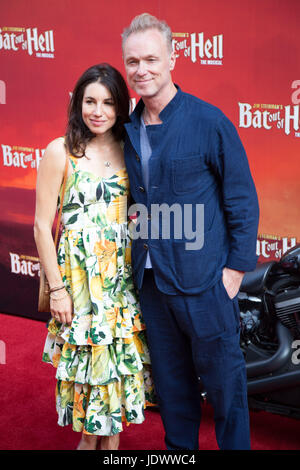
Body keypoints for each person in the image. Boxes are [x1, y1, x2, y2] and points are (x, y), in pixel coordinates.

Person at [121, 13, 260, 450]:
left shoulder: (208, 121)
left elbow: (241, 198)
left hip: (205, 283)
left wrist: (235, 271)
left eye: (150, 59)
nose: (141, 70)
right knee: (173, 390)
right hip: (151, 283)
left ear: (173, 59)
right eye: (132, 61)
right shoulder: (125, 129)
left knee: (225, 387)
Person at [34, 63, 154, 450]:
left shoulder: (132, 151)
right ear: (77, 103)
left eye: (107, 102)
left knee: (114, 402)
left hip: (121, 291)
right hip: (79, 290)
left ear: (121, 107)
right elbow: (41, 226)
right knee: (90, 414)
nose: (97, 111)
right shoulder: (60, 151)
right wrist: (57, 290)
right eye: (89, 101)